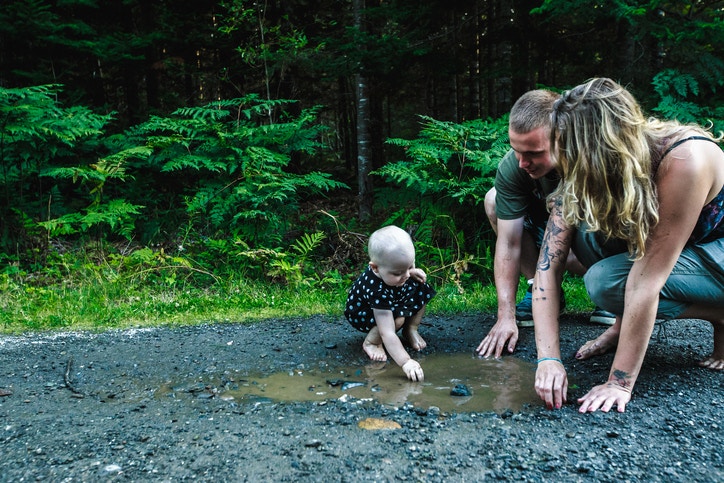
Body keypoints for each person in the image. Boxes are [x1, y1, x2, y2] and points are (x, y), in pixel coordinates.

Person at [533, 77, 724, 413]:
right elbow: (547, 269)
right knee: (590, 235)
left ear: (597, 145)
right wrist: (548, 358)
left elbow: (646, 279)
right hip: (685, 250)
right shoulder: (587, 168)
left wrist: (618, 382)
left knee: (606, 281)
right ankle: (623, 326)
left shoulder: (684, 160)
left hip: (717, 250)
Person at [476, 90, 615, 359]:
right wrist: (506, 316)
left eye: (533, 153)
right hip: (547, 236)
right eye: (516, 150)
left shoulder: (593, 161)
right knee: (493, 199)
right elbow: (509, 242)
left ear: (562, 139)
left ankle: (609, 295)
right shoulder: (514, 166)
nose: (522, 162)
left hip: (589, 243)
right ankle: (536, 287)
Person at [344, 225, 436, 381]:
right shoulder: (376, 289)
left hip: (390, 294)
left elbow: (404, 272)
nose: (406, 275)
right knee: (396, 319)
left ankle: (411, 329)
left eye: (409, 267)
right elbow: (388, 332)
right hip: (364, 313)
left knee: (421, 287)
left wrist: (410, 272)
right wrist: (406, 362)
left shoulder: (395, 273)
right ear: (375, 268)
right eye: (398, 272)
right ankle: (371, 342)